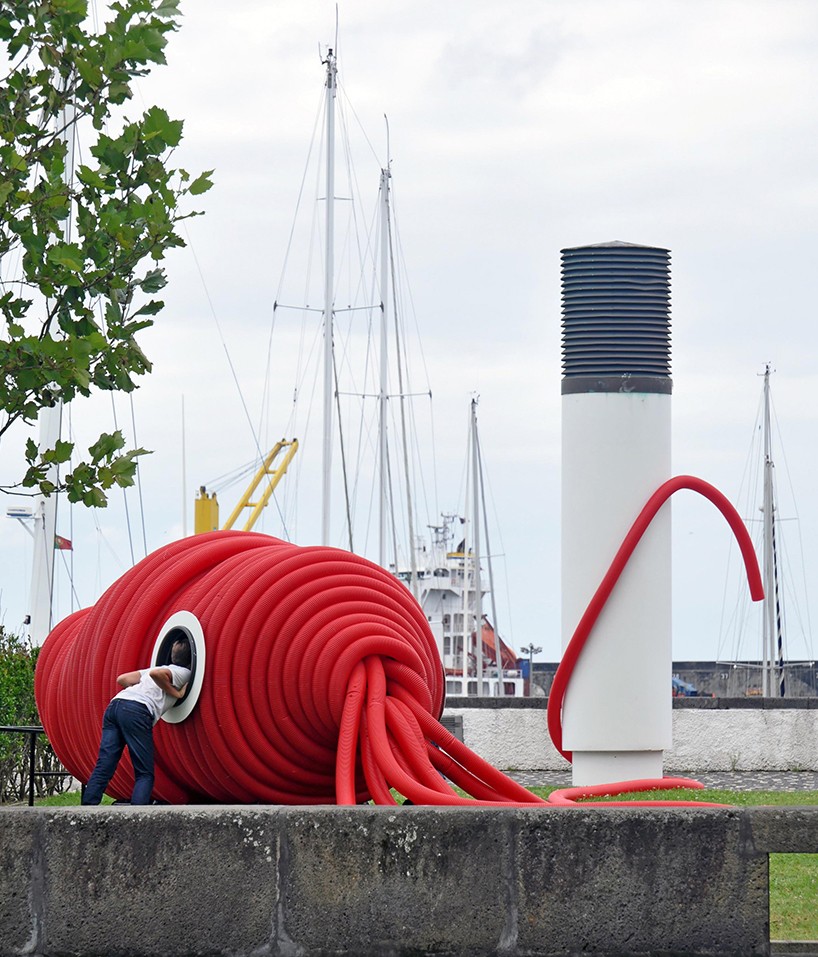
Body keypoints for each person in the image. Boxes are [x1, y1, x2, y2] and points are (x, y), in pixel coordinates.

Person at [81, 637, 192, 805]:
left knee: (105, 764)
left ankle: (86, 810)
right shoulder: (185, 672)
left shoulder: (154, 669)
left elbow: (122, 679)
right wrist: (175, 694)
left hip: (115, 705)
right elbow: (157, 675)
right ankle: (136, 816)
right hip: (137, 711)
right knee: (144, 773)